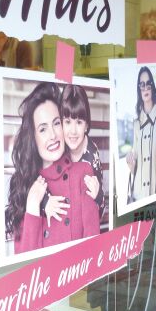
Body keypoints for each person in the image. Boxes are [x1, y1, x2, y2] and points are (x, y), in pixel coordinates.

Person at [5, 82, 99, 254]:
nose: (53, 135)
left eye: (56, 123)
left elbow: (92, 250)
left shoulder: (83, 174)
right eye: (42, 129)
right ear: (32, 138)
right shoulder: (23, 187)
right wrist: (33, 205)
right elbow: (24, 267)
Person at [58, 84, 105, 219]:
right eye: (67, 122)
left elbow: (99, 211)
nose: (73, 131)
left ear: (86, 126)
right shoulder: (58, 146)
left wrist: (98, 196)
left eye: (79, 122)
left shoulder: (91, 156)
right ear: (60, 123)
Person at [126, 66, 156, 203]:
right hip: (139, 194)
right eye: (141, 84)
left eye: (148, 83)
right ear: (139, 88)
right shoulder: (136, 123)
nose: (145, 88)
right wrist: (131, 165)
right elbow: (136, 165)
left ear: (153, 86)